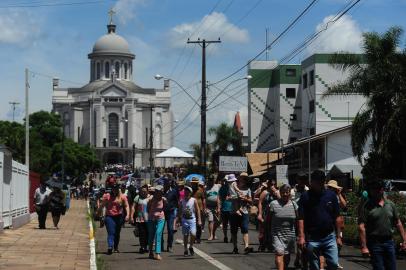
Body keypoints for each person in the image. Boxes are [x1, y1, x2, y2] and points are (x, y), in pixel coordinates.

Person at [297, 170, 341, 270]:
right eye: (317, 181)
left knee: (334, 263)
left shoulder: (331, 195)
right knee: (314, 266)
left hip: (329, 236)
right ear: (312, 182)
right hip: (312, 237)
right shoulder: (305, 196)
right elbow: (301, 218)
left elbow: (337, 217)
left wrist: (338, 236)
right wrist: (302, 236)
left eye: (322, 181)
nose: (320, 183)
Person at [358, 180, 406, 270]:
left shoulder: (390, 205)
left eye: (376, 189)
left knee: (392, 267)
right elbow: (361, 226)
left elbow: (398, 223)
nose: (374, 192)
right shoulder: (367, 206)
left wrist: (404, 240)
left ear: (382, 190)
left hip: (389, 242)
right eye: (372, 190)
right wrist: (364, 246)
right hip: (375, 243)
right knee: (379, 268)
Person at [269, 184, 298, 270]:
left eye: (287, 192)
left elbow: (298, 219)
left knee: (286, 255)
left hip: (290, 235)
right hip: (277, 233)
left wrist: (300, 234)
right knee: (279, 252)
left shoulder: (294, 204)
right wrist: (264, 232)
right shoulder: (273, 204)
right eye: (283, 192)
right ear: (280, 193)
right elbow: (268, 220)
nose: (285, 194)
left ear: (289, 193)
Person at [99, 184, 130, 254]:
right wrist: (99, 213)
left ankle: (116, 247)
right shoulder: (107, 196)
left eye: (116, 188)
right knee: (111, 232)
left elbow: (126, 206)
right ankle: (110, 246)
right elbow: (102, 205)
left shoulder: (122, 196)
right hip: (109, 216)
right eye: (113, 188)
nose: (114, 190)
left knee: (117, 233)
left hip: (119, 217)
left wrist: (127, 215)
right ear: (112, 189)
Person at [229, 172, 253, 254]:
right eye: (242, 178)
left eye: (245, 178)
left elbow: (251, 201)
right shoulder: (233, 186)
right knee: (234, 230)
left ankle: (246, 246)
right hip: (233, 211)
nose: (243, 179)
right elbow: (228, 197)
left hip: (244, 211)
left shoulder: (248, 189)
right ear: (239, 178)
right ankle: (235, 247)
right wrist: (237, 197)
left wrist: (245, 199)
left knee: (245, 229)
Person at [327, 180, 347, 269]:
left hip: (337, 222)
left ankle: (335, 260)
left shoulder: (338, 196)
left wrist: (339, 194)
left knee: (339, 243)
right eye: (331, 188)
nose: (333, 189)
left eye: (334, 188)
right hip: (328, 222)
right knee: (328, 243)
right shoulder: (325, 195)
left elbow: (344, 205)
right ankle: (328, 260)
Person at [177, 185, 201, 256]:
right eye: (185, 191)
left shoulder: (194, 200)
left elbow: (198, 210)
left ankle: (191, 246)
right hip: (184, 220)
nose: (186, 192)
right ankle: (185, 249)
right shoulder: (182, 201)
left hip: (192, 219)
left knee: (193, 234)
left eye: (188, 191)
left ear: (190, 193)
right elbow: (180, 211)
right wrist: (179, 220)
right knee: (185, 235)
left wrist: (199, 219)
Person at [257, 179, 280, 252]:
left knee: (272, 230)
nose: (272, 186)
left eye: (273, 185)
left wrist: (276, 193)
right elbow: (260, 203)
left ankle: (270, 245)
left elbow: (281, 200)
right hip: (265, 213)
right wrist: (260, 214)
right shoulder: (265, 192)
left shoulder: (277, 192)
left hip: (274, 214)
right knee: (262, 230)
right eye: (271, 185)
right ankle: (262, 244)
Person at [147, 185, 166, 260]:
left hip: (161, 218)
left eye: (159, 191)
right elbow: (148, 208)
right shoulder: (151, 198)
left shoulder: (163, 199)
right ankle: (150, 251)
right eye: (156, 191)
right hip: (151, 218)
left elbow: (165, 207)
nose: (157, 193)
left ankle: (157, 253)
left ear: (162, 192)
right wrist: (152, 214)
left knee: (158, 233)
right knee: (151, 235)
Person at [131, 185, 150, 254]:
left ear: (147, 191)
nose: (143, 192)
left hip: (149, 218)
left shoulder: (150, 197)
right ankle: (142, 246)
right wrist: (131, 216)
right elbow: (133, 207)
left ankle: (146, 246)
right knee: (141, 233)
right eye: (142, 191)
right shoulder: (137, 197)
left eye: (145, 191)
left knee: (148, 233)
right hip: (140, 218)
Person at [164, 178, 179, 252]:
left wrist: (177, 212)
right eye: (167, 183)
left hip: (171, 212)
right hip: (162, 213)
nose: (168, 184)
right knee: (159, 230)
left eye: (169, 182)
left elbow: (177, 201)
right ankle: (160, 245)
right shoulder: (162, 191)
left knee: (170, 229)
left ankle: (169, 245)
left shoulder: (174, 191)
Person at [218, 175, 233, 243]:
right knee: (224, 224)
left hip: (232, 208)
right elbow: (219, 198)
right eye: (225, 181)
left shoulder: (233, 188)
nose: (226, 182)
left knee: (232, 224)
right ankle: (225, 236)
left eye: (227, 181)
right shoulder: (222, 188)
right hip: (224, 207)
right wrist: (219, 207)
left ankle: (232, 236)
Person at [205, 176, 221, 241]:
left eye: (212, 179)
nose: (211, 181)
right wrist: (205, 208)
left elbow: (219, 197)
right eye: (210, 179)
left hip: (217, 206)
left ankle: (213, 232)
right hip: (209, 207)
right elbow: (204, 198)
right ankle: (211, 235)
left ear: (214, 180)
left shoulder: (218, 186)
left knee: (218, 221)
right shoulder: (205, 188)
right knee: (210, 221)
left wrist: (219, 207)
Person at [192, 178, 206, 243]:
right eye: (193, 183)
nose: (194, 184)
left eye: (195, 183)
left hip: (199, 209)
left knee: (199, 224)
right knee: (193, 224)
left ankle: (198, 238)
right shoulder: (190, 190)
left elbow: (203, 199)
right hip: (192, 209)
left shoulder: (200, 190)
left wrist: (204, 208)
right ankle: (193, 237)